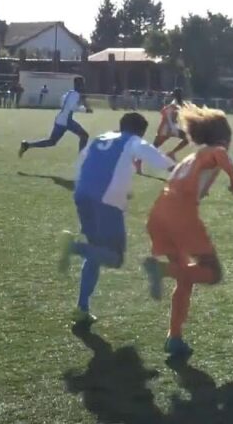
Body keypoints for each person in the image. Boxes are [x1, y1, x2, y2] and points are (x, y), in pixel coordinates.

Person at [142, 104, 233, 359]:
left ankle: (174, 337)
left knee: (185, 276)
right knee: (212, 273)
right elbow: (220, 154)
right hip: (180, 216)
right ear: (225, 136)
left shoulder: (191, 157)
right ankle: (161, 270)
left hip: (159, 214)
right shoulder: (216, 150)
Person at [58, 112, 176, 325]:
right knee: (115, 258)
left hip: (82, 194)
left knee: (95, 252)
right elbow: (159, 160)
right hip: (107, 200)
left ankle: (82, 307)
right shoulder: (133, 141)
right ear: (140, 131)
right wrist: (181, 171)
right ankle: (74, 247)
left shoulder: (101, 138)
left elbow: (82, 162)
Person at [19, 77, 93, 157]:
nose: (83, 86)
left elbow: (62, 102)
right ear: (80, 85)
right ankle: (81, 157)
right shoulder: (76, 95)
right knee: (84, 135)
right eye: (82, 84)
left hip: (60, 119)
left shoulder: (69, 92)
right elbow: (72, 107)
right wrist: (85, 110)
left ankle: (27, 145)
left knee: (52, 141)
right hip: (67, 121)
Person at [136, 88, 191, 174]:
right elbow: (164, 112)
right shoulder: (174, 104)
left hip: (171, 128)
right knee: (153, 148)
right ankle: (139, 161)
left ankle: (171, 153)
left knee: (187, 138)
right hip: (165, 128)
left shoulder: (179, 103)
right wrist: (172, 127)